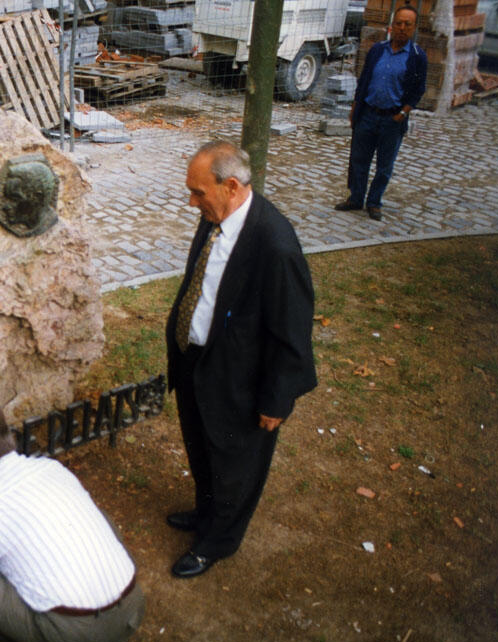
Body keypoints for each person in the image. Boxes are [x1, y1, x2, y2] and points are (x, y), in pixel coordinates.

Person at [164, 141, 317, 578]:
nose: (191, 202)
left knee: (235, 462)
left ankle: (218, 541)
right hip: (199, 360)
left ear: (231, 186)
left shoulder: (275, 244)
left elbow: (292, 328)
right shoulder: (215, 216)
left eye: (198, 192)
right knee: (201, 445)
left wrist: (278, 399)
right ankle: (204, 512)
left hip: (242, 378)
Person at [0, 405, 144, 642]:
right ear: (10, 440)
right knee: (97, 517)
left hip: (69, 636)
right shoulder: (52, 468)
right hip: (133, 608)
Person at [335, 4, 427, 221]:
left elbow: (418, 90)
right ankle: (356, 198)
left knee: (385, 165)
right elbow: (364, 80)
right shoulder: (378, 50)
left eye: (408, 24)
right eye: (399, 23)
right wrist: (355, 109)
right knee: (358, 159)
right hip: (367, 114)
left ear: (414, 28)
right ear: (392, 25)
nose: (402, 28)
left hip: (392, 119)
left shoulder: (417, 56)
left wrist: (402, 113)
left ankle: (374, 202)